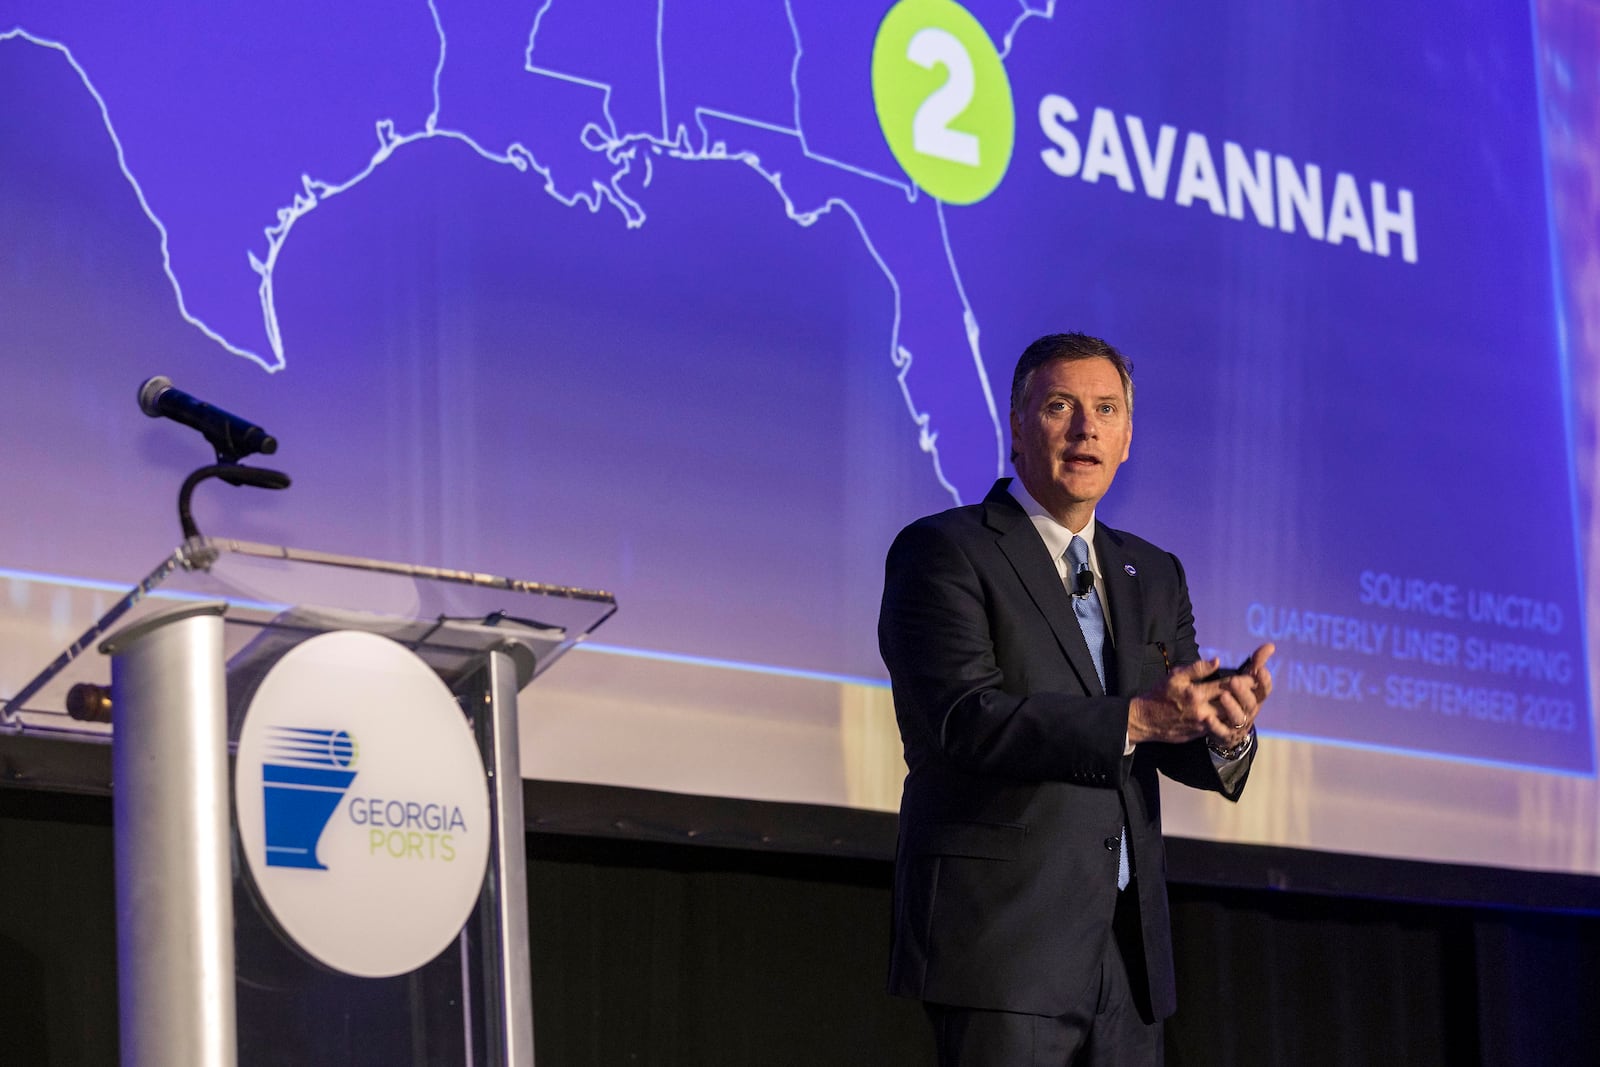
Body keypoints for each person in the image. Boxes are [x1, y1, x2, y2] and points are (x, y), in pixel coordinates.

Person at [878, 332, 1275, 1065]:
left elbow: (1168, 728)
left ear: (1126, 440)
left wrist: (1224, 728)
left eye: (1106, 409)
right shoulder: (945, 551)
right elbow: (964, 719)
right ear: (1018, 425)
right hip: (1004, 944)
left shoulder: (1152, 572)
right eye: (1061, 406)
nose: (1086, 427)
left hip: (1128, 955)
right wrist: (1136, 716)